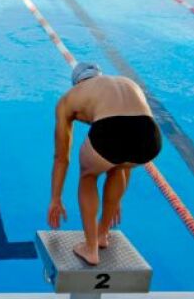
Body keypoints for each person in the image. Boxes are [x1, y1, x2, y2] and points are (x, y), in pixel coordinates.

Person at [47, 62, 161, 265]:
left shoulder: (70, 98)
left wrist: (56, 198)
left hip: (111, 133)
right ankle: (103, 234)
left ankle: (90, 248)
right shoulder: (126, 82)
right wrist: (115, 199)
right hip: (150, 138)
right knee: (119, 165)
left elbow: (61, 157)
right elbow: (127, 149)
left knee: (88, 176)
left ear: (77, 83)